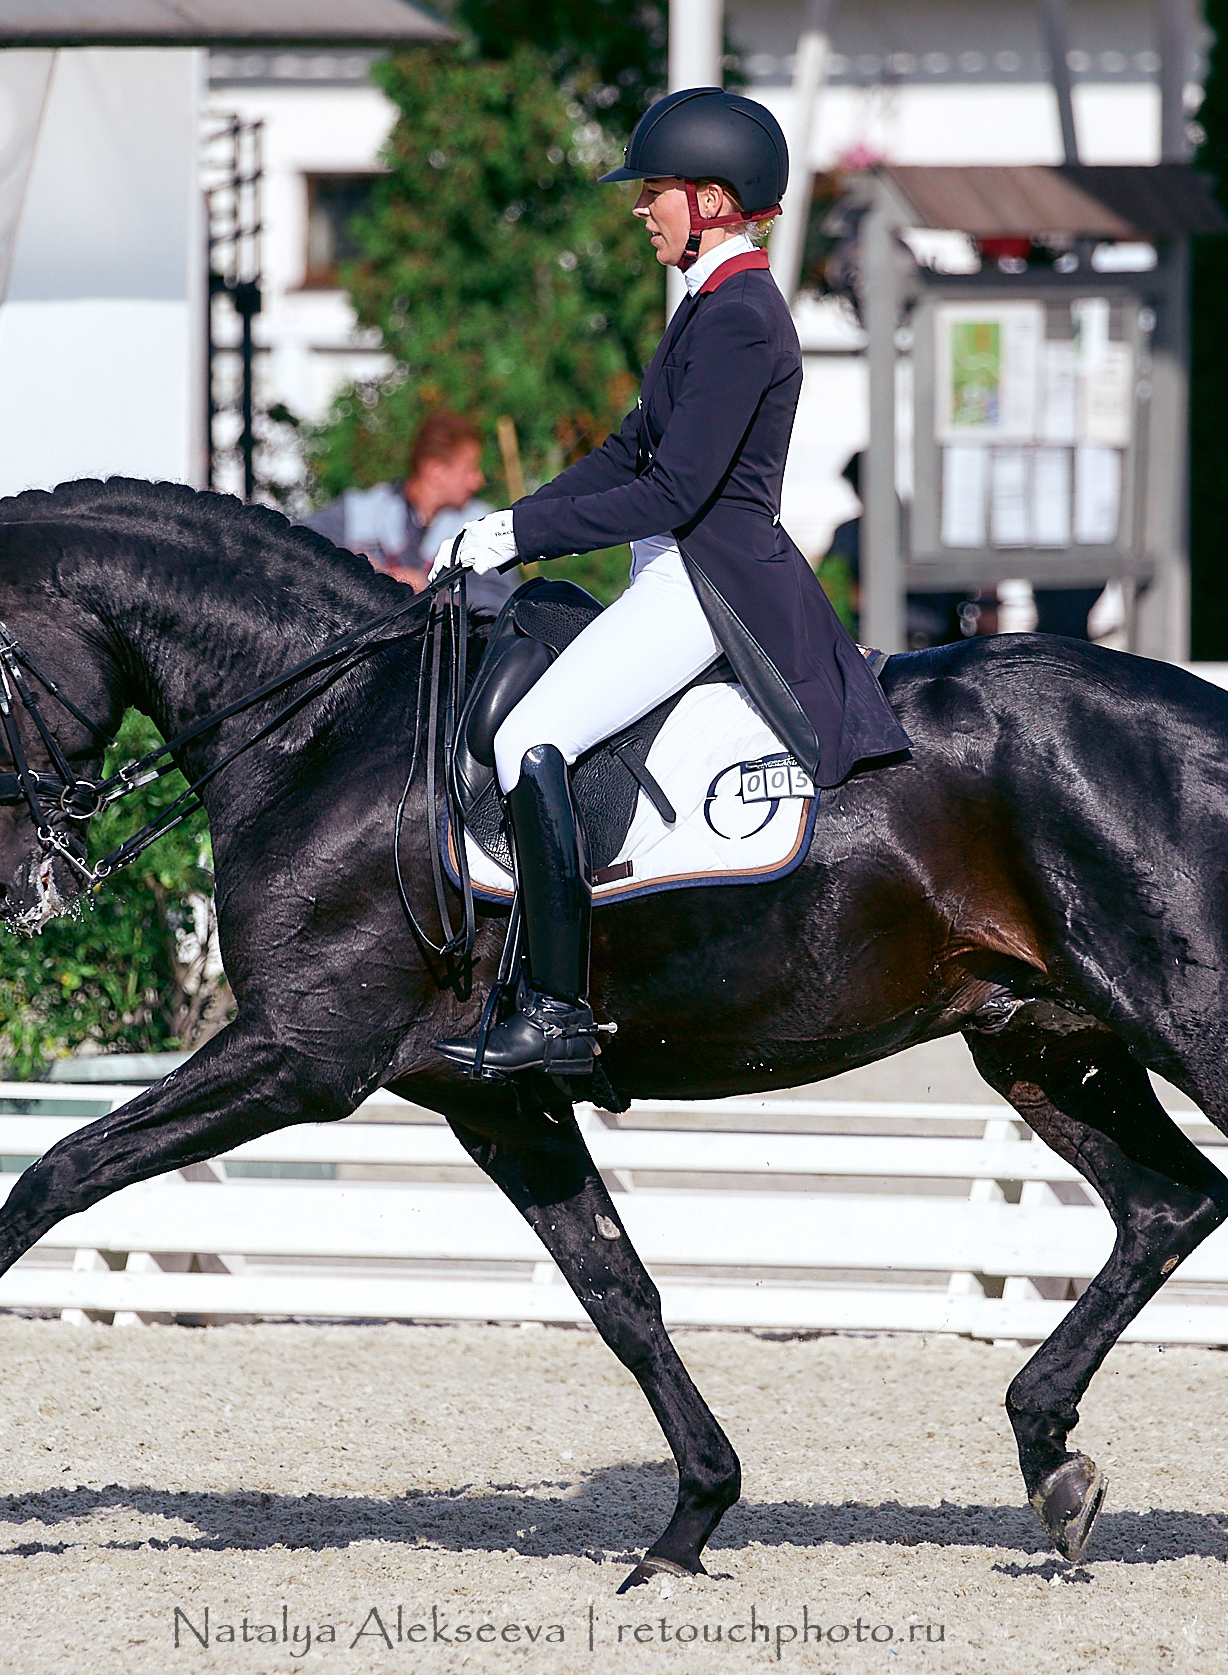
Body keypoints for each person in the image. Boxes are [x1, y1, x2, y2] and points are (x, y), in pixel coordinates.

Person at [429, 87, 911, 1078]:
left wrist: (527, 531)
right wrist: (511, 526)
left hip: (708, 578)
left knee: (530, 738)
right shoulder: (704, 309)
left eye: (655, 193)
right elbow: (622, 454)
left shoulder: (738, 317)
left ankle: (556, 1009)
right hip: (673, 571)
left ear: (715, 199)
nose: (641, 210)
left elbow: (676, 489)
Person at [302, 412, 505, 603]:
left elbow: (499, 602)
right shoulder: (357, 512)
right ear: (435, 470)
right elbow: (296, 550)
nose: (477, 481)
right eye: (469, 469)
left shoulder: (482, 527)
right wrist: (351, 566)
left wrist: (430, 589)